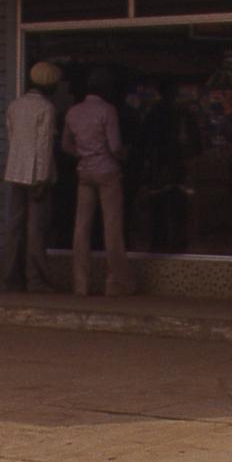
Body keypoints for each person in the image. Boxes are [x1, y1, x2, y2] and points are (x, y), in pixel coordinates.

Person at [62, 69, 134, 296]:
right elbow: (115, 147)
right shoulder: (108, 110)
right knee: (111, 226)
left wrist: (82, 155)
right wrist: (125, 155)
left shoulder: (73, 112)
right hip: (107, 171)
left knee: (81, 227)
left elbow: (65, 145)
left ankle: (80, 283)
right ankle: (116, 282)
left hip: (84, 172)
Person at [1, 62, 60, 291]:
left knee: (14, 227)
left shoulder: (15, 106)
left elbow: (11, 138)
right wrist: (42, 178)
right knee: (36, 230)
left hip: (15, 172)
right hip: (37, 174)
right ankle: (36, 280)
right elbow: (45, 146)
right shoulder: (46, 108)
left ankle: (10, 279)